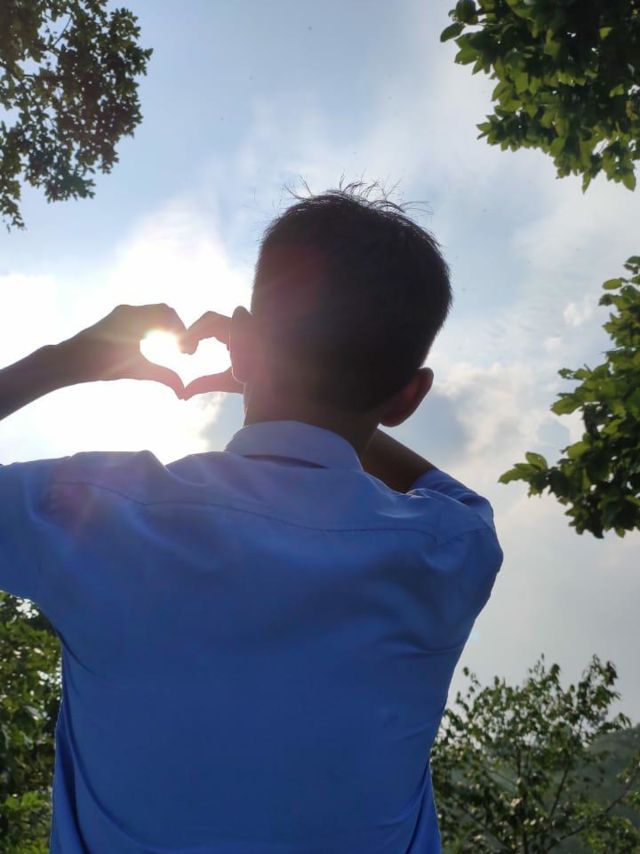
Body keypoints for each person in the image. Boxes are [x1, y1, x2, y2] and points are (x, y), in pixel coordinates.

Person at [0, 185, 504, 854]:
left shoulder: (96, 514)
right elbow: (454, 497)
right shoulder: (450, 550)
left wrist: (63, 360)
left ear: (241, 345)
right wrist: (308, 385)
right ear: (410, 397)